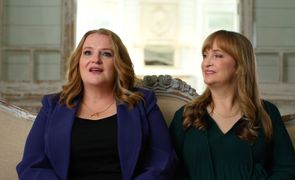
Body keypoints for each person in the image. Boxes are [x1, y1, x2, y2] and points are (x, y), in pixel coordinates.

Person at [17, 28, 177, 180]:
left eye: (106, 54)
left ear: (118, 64)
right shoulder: (52, 105)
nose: (95, 60)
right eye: (87, 52)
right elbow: (31, 166)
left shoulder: (143, 102)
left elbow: (163, 162)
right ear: (78, 61)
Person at [169, 30, 295, 180]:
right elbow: (169, 170)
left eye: (217, 55)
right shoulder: (186, 115)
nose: (207, 62)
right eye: (205, 55)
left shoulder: (267, 113)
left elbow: (288, 169)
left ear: (239, 66)